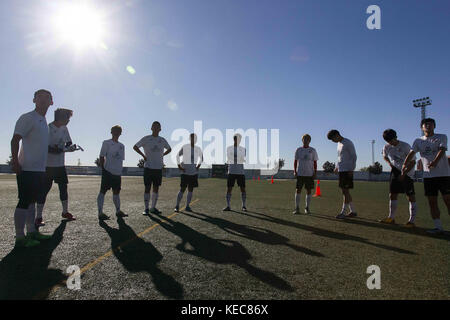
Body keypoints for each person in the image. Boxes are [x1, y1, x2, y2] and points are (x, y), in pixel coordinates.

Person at [10, 89, 54, 247]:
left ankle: (32, 232)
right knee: (24, 201)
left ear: (52, 102)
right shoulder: (28, 118)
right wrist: (15, 161)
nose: (43, 99)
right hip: (26, 168)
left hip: (39, 170)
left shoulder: (43, 122)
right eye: (39, 97)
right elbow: (15, 140)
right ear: (34, 100)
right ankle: (20, 238)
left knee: (32, 202)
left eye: (47, 97)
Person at [402, 118, 450, 234]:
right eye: (425, 124)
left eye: (430, 124)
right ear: (421, 127)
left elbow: (442, 150)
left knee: (448, 201)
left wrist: (435, 162)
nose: (428, 126)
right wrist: (404, 164)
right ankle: (438, 227)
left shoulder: (441, 137)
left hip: (443, 175)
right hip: (428, 177)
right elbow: (412, 153)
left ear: (434, 126)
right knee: (432, 202)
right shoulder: (418, 141)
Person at [36, 108, 77, 228]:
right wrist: (64, 149)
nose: (69, 121)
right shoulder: (48, 128)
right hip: (48, 166)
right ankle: (38, 217)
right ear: (61, 118)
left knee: (63, 189)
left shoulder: (64, 128)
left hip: (60, 165)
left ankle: (65, 212)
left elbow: (69, 142)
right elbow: (48, 148)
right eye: (67, 118)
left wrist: (72, 147)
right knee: (44, 191)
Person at [380, 129, 417, 227]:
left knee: (410, 196)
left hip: (408, 173)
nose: (390, 143)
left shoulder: (405, 146)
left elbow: (413, 162)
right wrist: (390, 164)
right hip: (395, 171)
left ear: (396, 137)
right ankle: (391, 218)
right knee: (392, 194)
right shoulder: (387, 147)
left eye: (391, 140)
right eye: (388, 141)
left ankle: (411, 221)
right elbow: (384, 156)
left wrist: (404, 173)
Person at [133, 121, 171, 215]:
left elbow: (169, 149)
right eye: (154, 126)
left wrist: (163, 154)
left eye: (158, 127)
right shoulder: (146, 138)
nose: (156, 128)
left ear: (160, 129)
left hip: (158, 168)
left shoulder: (162, 140)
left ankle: (153, 208)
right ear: (151, 128)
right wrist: (143, 155)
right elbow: (135, 147)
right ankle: (146, 209)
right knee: (147, 188)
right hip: (148, 167)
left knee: (156, 188)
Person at [97, 125, 127, 220]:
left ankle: (118, 211)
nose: (117, 133)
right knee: (103, 191)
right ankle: (100, 213)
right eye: (115, 131)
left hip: (117, 173)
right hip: (108, 172)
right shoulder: (106, 143)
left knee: (116, 192)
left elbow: (120, 160)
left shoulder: (122, 146)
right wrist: (103, 169)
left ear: (120, 133)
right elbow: (102, 156)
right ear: (111, 132)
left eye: (118, 131)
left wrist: (119, 171)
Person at [327, 129, 358, 219]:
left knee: (345, 191)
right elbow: (340, 157)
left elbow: (354, 156)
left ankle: (343, 212)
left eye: (332, 139)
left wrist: (351, 169)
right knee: (344, 191)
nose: (333, 141)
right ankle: (353, 211)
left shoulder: (348, 143)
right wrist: (337, 167)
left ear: (337, 135)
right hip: (342, 170)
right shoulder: (339, 144)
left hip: (347, 170)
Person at [174, 133, 203, 212]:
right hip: (185, 172)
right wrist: (179, 166)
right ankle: (177, 206)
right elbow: (177, 156)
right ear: (190, 139)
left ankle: (187, 206)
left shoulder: (198, 149)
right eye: (192, 138)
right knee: (182, 189)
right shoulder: (185, 147)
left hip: (193, 173)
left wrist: (198, 166)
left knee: (190, 190)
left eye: (195, 138)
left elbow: (201, 158)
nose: (193, 139)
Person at [293, 134, 318, 214]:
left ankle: (307, 208)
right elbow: (295, 161)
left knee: (309, 190)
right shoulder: (298, 149)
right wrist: (294, 171)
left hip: (309, 174)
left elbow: (315, 162)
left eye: (307, 139)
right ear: (302, 140)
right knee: (298, 190)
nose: (306, 140)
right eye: (304, 139)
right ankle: (297, 208)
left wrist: (315, 172)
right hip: (300, 173)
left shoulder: (313, 150)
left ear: (309, 141)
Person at [223, 134, 247, 212]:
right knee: (229, 189)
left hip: (240, 172)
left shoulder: (243, 149)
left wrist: (236, 158)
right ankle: (228, 206)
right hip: (232, 171)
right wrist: (238, 158)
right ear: (234, 139)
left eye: (240, 139)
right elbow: (230, 158)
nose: (239, 140)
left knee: (242, 189)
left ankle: (243, 206)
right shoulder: (229, 148)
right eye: (237, 139)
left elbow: (243, 159)